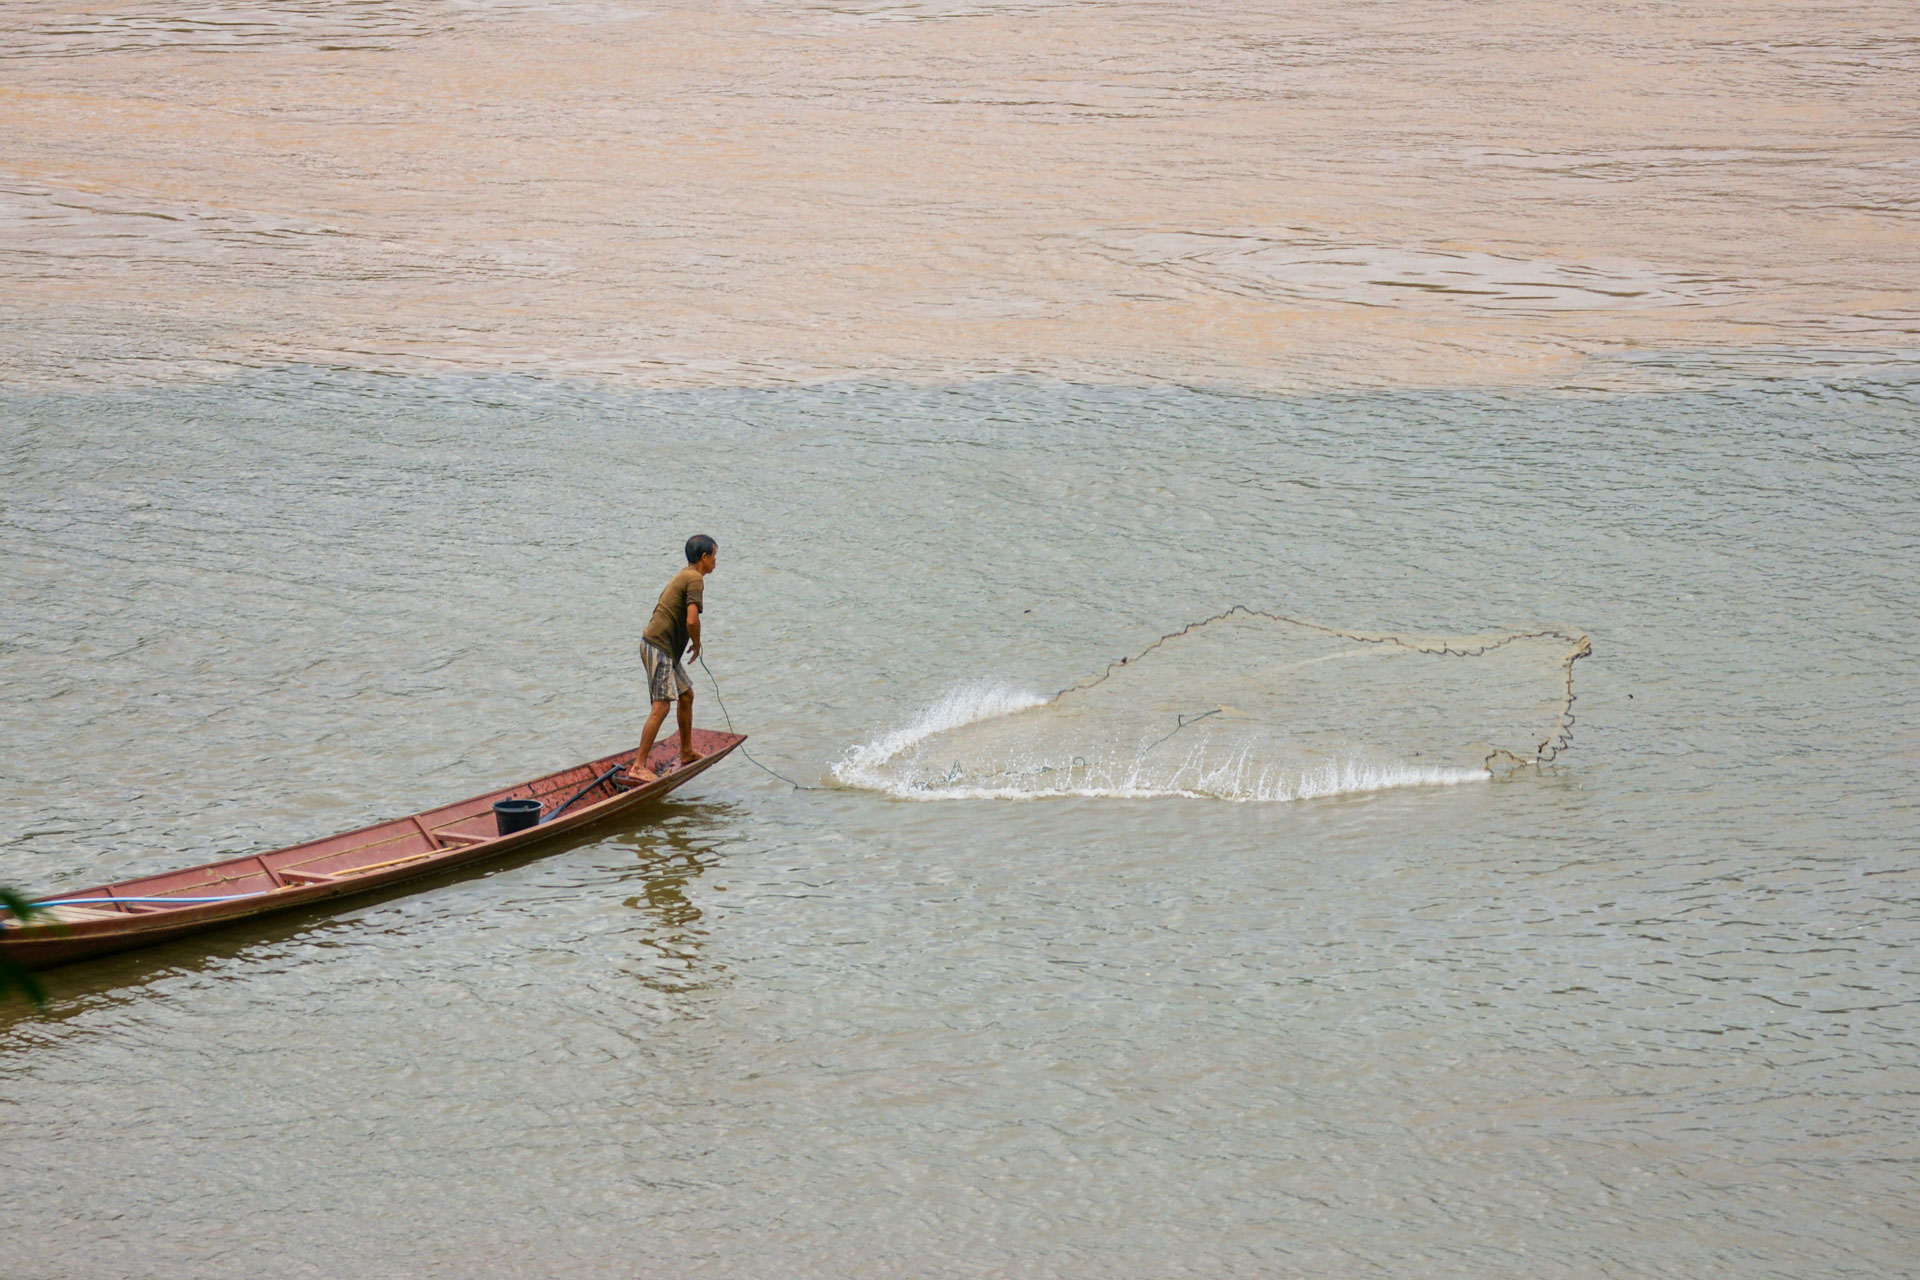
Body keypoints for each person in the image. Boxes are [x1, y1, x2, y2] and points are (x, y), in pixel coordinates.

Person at [625, 534, 717, 785]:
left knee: (686, 695)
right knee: (662, 705)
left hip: (662, 649)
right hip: (658, 647)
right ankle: (638, 766)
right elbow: (691, 619)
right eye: (714, 556)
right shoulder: (695, 578)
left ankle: (686, 752)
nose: (716, 562)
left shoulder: (687, 575)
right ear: (704, 557)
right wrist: (697, 644)